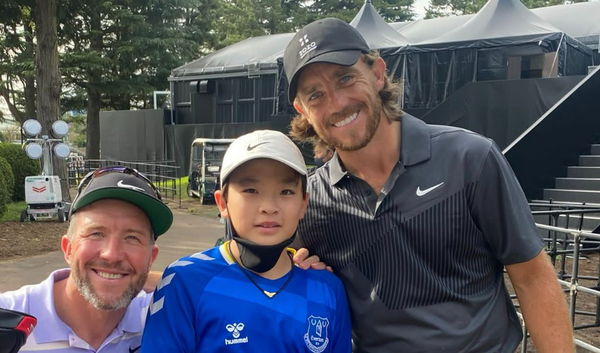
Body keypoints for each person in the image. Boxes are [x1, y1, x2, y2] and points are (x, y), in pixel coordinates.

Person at [284, 17, 574, 353]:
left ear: (377, 73)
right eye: (315, 95)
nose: (336, 103)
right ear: (302, 109)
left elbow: (532, 277)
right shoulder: (309, 202)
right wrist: (298, 275)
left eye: (346, 78)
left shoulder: (470, 159)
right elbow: (257, 275)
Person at [141, 130, 352, 352]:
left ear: (303, 204)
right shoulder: (184, 280)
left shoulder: (326, 288)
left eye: (286, 191)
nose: (269, 207)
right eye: (251, 190)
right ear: (222, 203)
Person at [0, 166, 173, 352]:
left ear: (151, 257)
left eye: (132, 238)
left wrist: (174, 280)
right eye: (96, 233)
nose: (112, 254)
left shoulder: (162, 319)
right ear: (68, 249)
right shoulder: (8, 319)